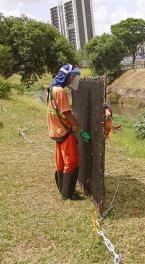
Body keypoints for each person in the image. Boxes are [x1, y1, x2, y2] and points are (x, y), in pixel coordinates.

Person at [47, 64, 90, 200]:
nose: (74, 80)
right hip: (65, 132)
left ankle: (62, 189)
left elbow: (57, 111)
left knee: (60, 162)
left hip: (56, 131)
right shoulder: (61, 91)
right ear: (69, 76)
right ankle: (68, 194)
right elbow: (67, 114)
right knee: (72, 161)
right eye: (74, 77)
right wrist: (79, 128)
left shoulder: (51, 89)